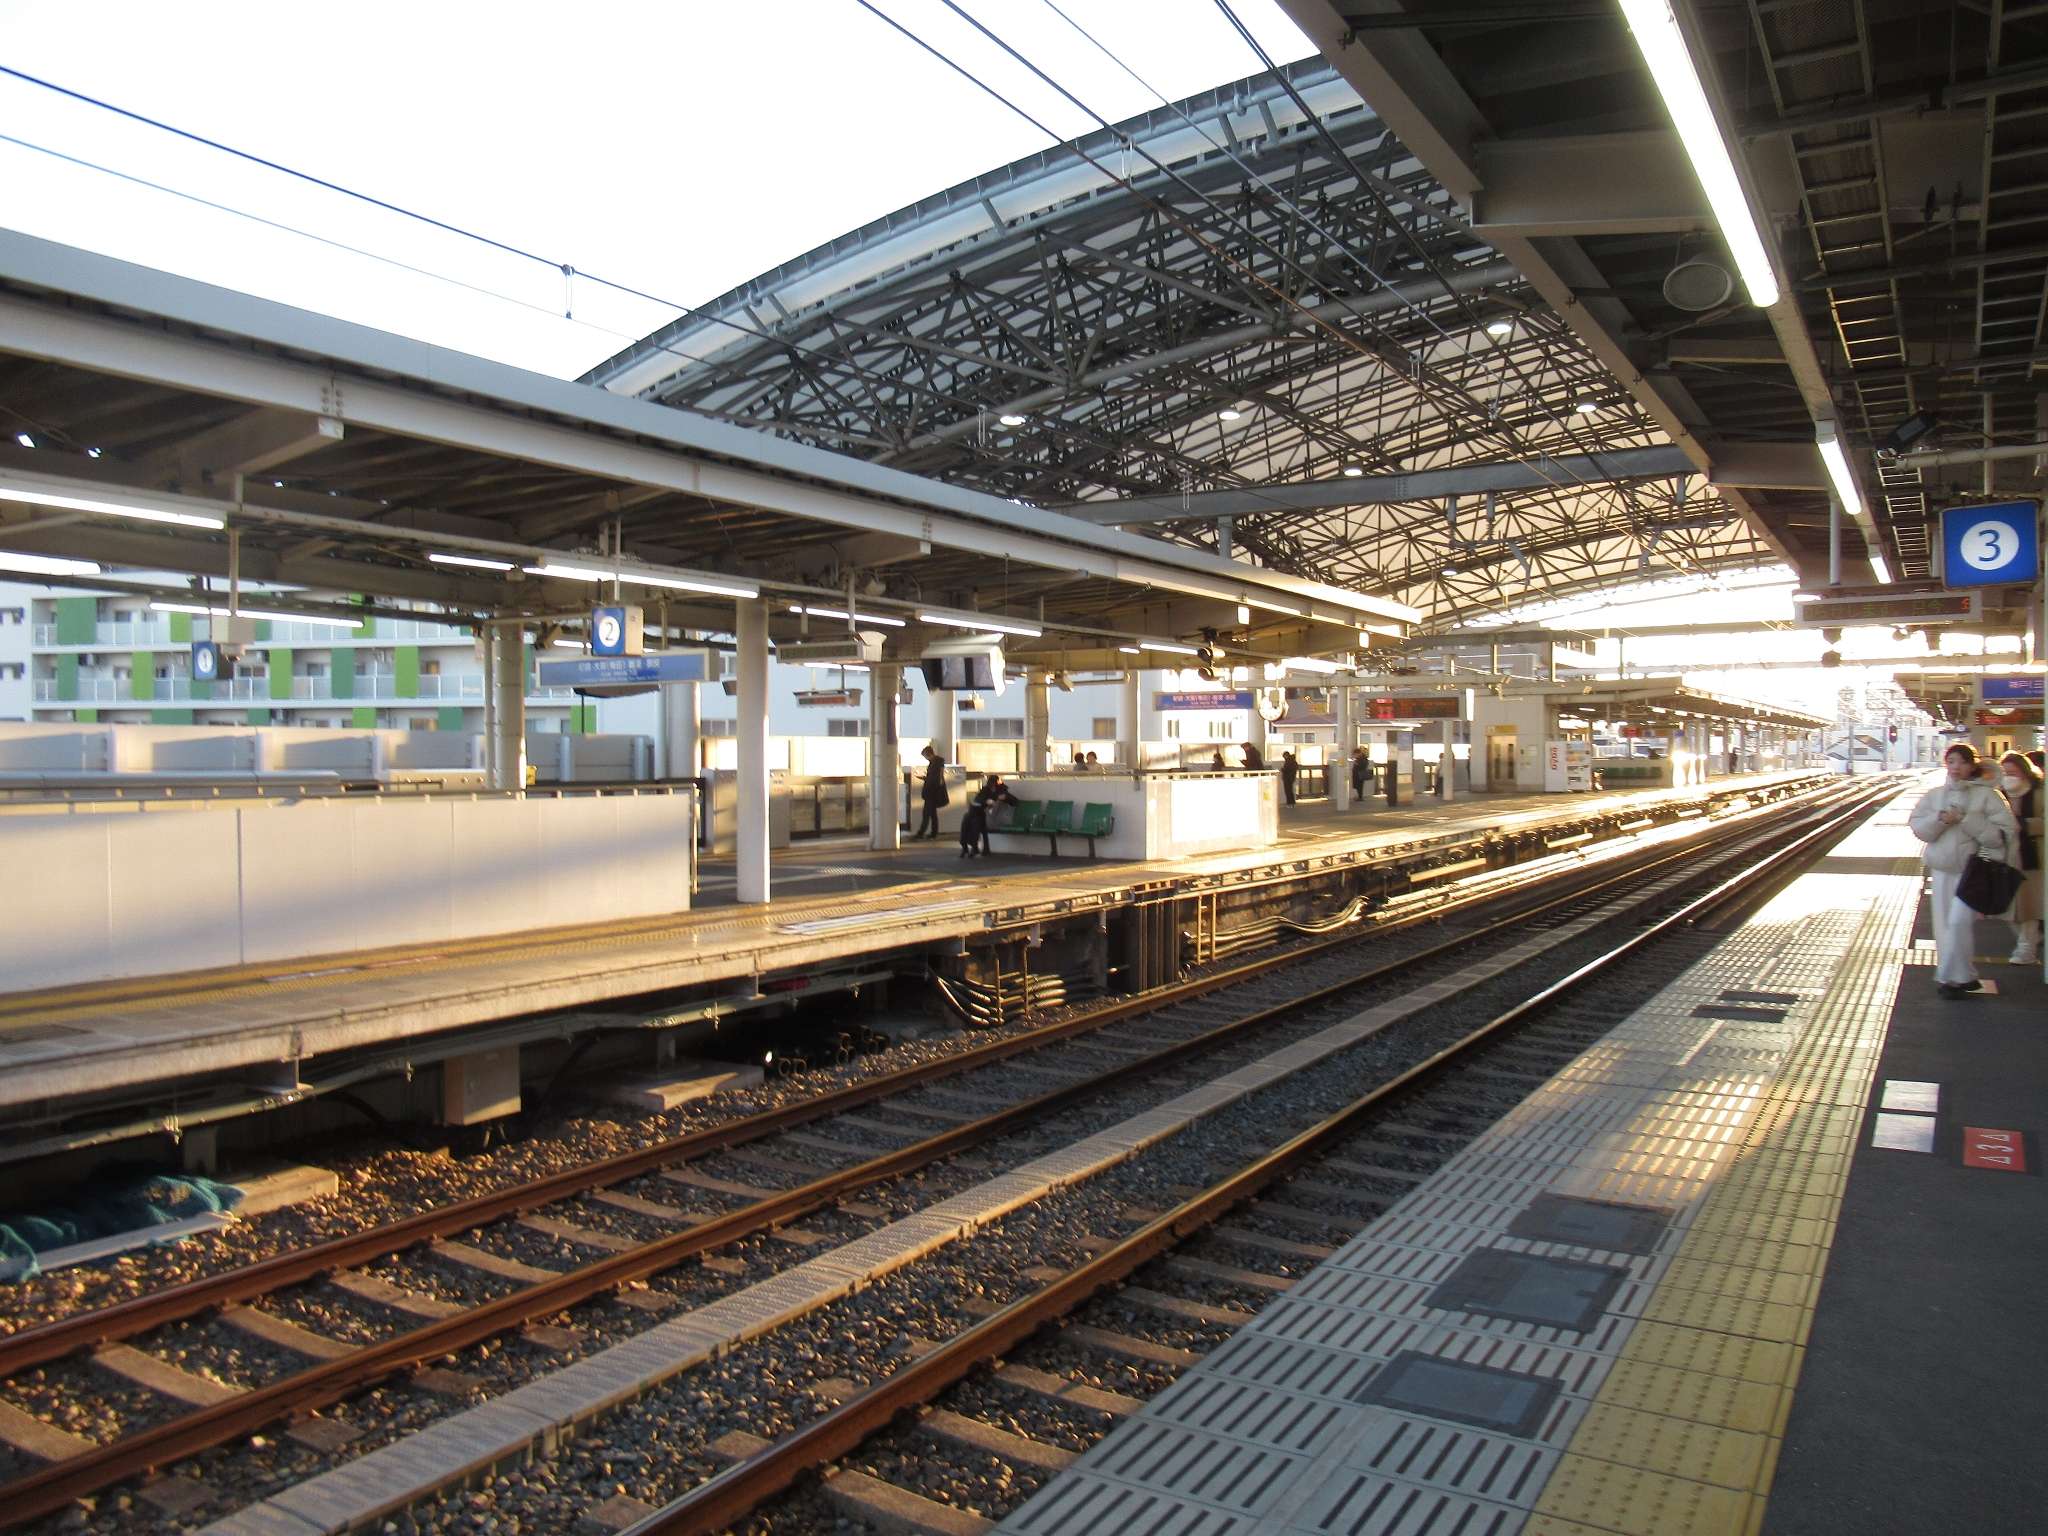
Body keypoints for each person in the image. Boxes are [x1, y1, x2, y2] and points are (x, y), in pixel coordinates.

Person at [1909, 743, 2021, 998]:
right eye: (1951, 762)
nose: (1956, 767)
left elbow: (2003, 835)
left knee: (1958, 922)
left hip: (1975, 872)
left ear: (1972, 765)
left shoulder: (1988, 796)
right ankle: (1963, 976)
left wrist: (1966, 820)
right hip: (1942, 870)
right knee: (1944, 926)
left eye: (1961, 762)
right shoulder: (1934, 795)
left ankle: (1950, 978)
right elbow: (1918, 828)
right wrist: (1940, 820)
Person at [1998, 750, 2043, 964]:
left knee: (2029, 906)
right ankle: (2029, 943)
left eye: (2013, 772)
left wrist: (2025, 825)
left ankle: (2026, 949)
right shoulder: (2000, 794)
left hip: (2033, 856)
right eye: (2005, 772)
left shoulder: (2039, 792)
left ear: (2025, 772)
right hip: (2006, 857)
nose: (2009, 777)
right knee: (2008, 907)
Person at [959, 773, 1019, 859]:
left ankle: (971, 847)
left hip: (991, 818)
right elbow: (978, 800)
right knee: (968, 819)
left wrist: (1004, 798)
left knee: (974, 820)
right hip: (981, 815)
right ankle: (967, 845)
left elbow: (1015, 801)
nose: (992, 787)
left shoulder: (1001, 791)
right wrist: (987, 801)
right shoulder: (985, 790)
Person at [914, 744, 948, 840]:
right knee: (932, 814)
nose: (925, 758)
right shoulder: (935, 762)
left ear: (928, 754)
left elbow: (937, 777)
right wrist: (925, 778)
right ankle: (933, 833)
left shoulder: (936, 762)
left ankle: (921, 833)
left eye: (925, 756)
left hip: (932, 792)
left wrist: (926, 778)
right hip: (932, 791)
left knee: (926, 813)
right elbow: (936, 777)